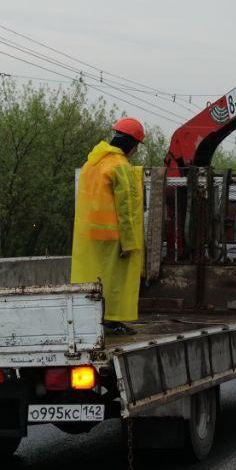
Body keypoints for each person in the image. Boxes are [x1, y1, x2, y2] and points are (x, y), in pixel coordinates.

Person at [70, 118, 146, 335]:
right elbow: (127, 209)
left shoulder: (91, 164)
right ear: (132, 144)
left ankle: (89, 318)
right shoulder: (120, 167)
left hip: (90, 235)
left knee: (94, 278)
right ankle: (113, 321)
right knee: (115, 281)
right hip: (114, 236)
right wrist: (130, 242)